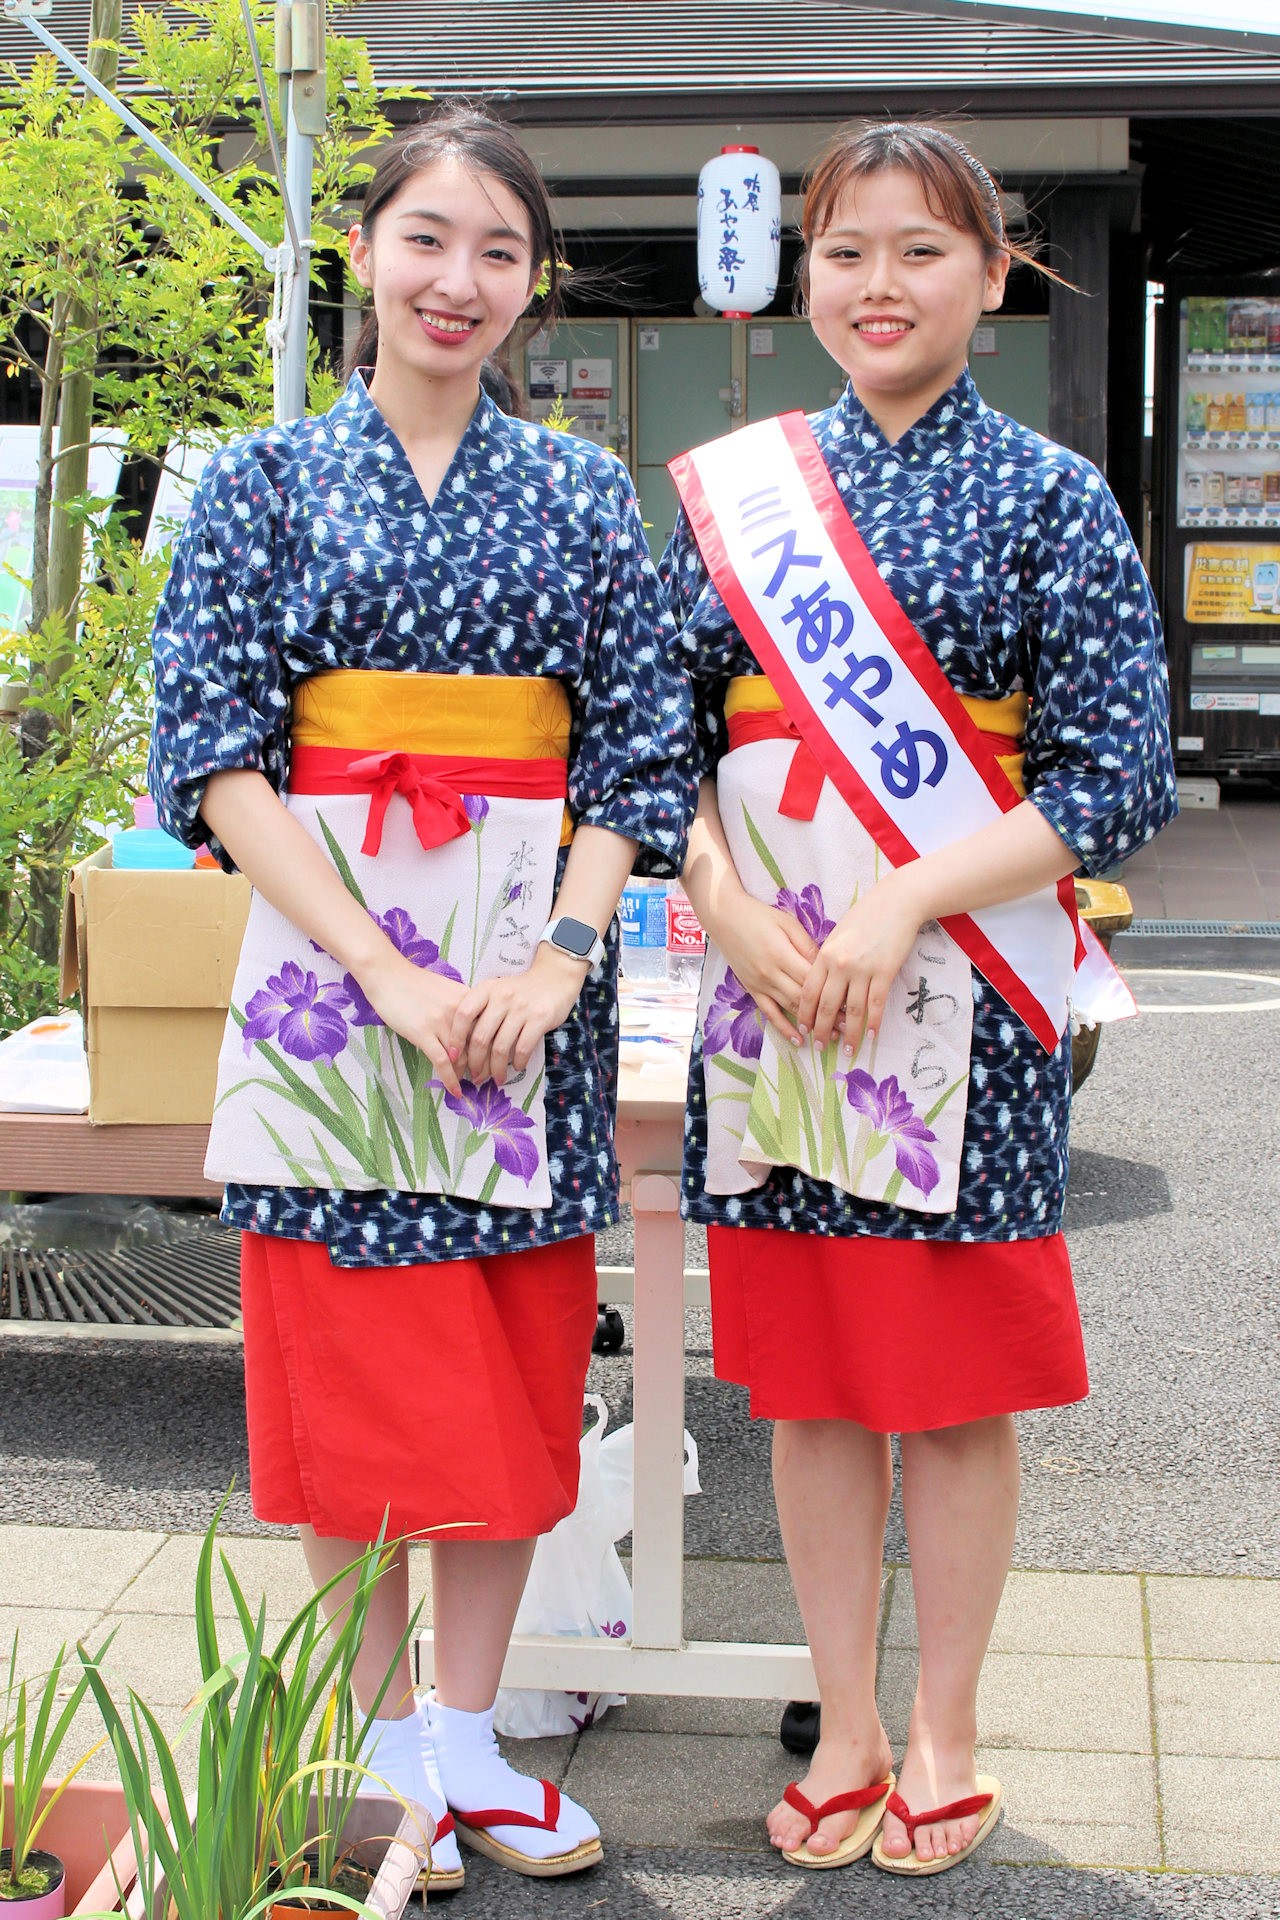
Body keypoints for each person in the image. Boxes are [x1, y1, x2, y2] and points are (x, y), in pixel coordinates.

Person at [148, 105, 694, 1890]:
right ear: (364, 252)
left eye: (500, 253)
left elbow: (633, 751)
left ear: (533, 287)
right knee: (348, 1378)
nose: (458, 282)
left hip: (520, 1010)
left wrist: (557, 963)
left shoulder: (578, 493)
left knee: (510, 1371)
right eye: (428, 239)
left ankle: (475, 1744)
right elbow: (220, 764)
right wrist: (377, 961)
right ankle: (387, 1756)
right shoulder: (258, 484)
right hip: (330, 983)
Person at [662, 121, 1176, 1877]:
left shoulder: (1051, 495)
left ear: (994, 274)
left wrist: (904, 898)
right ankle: (849, 1719)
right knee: (805, 1382)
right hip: (776, 995)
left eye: (922, 252)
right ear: (803, 275)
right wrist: (729, 909)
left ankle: (948, 1726)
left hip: (967, 987)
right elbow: (656, 749)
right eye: (846, 252)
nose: (879, 286)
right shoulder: (738, 484)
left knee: (951, 1386)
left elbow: (1117, 779)